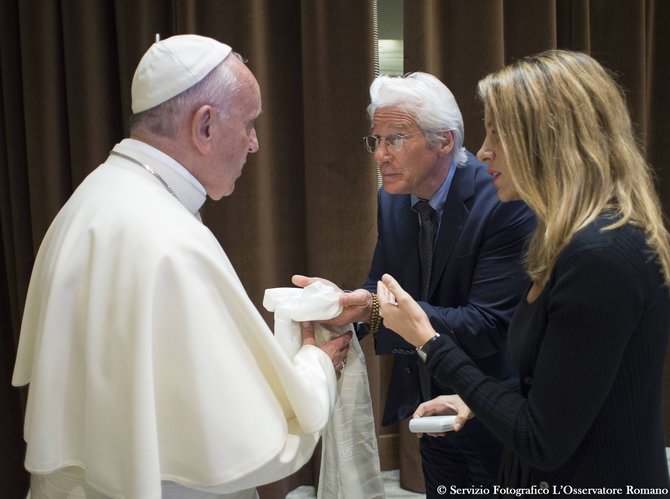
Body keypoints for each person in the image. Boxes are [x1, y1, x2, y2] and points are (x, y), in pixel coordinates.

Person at [12, 34, 351, 499]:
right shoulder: (169, 240)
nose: (254, 145)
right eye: (250, 124)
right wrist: (315, 366)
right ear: (205, 126)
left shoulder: (88, 200)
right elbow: (248, 442)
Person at [376, 49, 670, 495]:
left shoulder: (601, 254)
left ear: (551, 142)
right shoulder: (577, 240)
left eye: (499, 132)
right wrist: (475, 401)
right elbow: (555, 391)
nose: (485, 148)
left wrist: (430, 343)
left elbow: (541, 438)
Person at [293, 72, 535, 496]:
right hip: (429, 404)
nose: (380, 156)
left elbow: (491, 323)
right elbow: (383, 285)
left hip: (494, 407)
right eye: (377, 140)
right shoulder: (392, 198)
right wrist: (352, 303)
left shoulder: (501, 199)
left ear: (445, 140)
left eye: (396, 139)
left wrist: (381, 309)